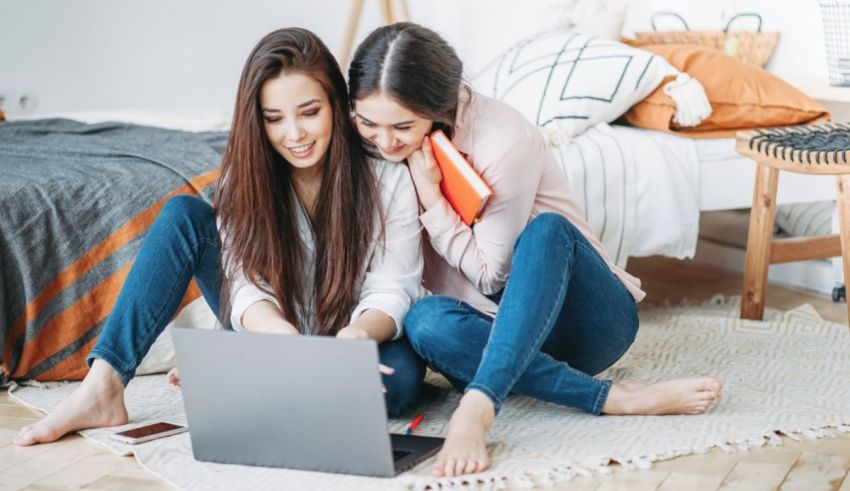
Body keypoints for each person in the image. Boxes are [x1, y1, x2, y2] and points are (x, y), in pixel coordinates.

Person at [15, 27, 425, 446]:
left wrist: (354, 339)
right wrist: (278, 334)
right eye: (274, 119)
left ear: (337, 106)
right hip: (268, 329)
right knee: (183, 214)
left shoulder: (385, 174)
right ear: (256, 119)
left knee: (400, 384)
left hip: (352, 335)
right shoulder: (245, 175)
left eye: (309, 112)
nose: (295, 134)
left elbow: (393, 287)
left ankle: (239, 372)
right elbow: (244, 282)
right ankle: (103, 386)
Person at [348, 22, 723, 478]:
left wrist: (431, 199)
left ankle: (478, 407)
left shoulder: (503, 138)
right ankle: (607, 398)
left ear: (437, 107)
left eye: (401, 126)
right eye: (369, 123)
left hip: (583, 321)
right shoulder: (376, 148)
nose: (385, 142)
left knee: (547, 230)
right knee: (425, 322)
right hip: (490, 332)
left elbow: (492, 276)